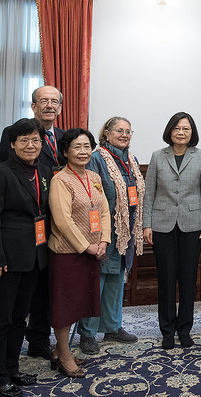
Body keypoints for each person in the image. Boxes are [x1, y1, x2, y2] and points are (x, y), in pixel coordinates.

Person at [0, 118, 52, 397]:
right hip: (7, 258)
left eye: (35, 140)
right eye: (24, 140)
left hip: (34, 257)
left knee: (20, 318)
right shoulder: (0, 172)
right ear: (12, 144)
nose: (30, 145)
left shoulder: (44, 171)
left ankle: (11, 369)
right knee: (1, 320)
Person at [0, 85, 66, 361]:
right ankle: (8, 352)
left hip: (53, 225)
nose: (49, 105)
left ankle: (39, 341)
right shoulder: (15, 133)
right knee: (21, 296)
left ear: (60, 107)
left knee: (46, 289)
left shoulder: (64, 137)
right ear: (33, 106)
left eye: (54, 101)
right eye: (43, 101)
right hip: (23, 228)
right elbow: (8, 175)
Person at [143, 112, 201, 350]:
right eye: (177, 128)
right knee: (166, 279)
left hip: (192, 225)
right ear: (170, 131)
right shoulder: (158, 156)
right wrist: (146, 224)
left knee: (187, 279)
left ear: (192, 132)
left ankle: (184, 329)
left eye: (186, 128)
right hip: (162, 224)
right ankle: (167, 330)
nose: (181, 132)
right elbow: (149, 193)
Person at [77, 117, 144, 355]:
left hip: (126, 231)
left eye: (128, 131)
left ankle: (112, 327)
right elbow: (91, 198)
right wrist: (97, 234)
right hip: (102, 231)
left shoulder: (131, 160)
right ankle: (87, 333)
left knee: (116, 279)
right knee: (96, 282)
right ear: (107, 133)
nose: (124, 135)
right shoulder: (96, 158)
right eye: (119, 130)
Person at [49, 128, 110, 377]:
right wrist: (86, 246)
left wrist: (104, 240)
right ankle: (64, 356)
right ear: (65, 151)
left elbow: (104, 211)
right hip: (67, 253)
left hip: (93, 251)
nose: (83, 151)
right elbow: (63, 220)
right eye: (77, 147)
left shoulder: (94, 176)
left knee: (79, 303)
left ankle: (60, 350)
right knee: (65, 307)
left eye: (87, 146)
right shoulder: (60, 180)